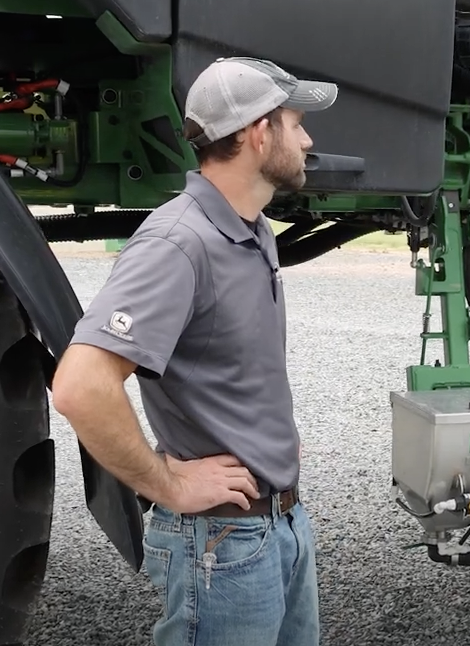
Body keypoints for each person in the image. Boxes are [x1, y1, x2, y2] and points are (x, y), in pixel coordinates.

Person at [51, 56, 338, 645]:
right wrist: (167, 484)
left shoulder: (251, 229)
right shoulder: (178, 242)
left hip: (279, 525)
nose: (308, 138)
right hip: (223, 545)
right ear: (259, 133)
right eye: (295, 121)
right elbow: (80, 387)